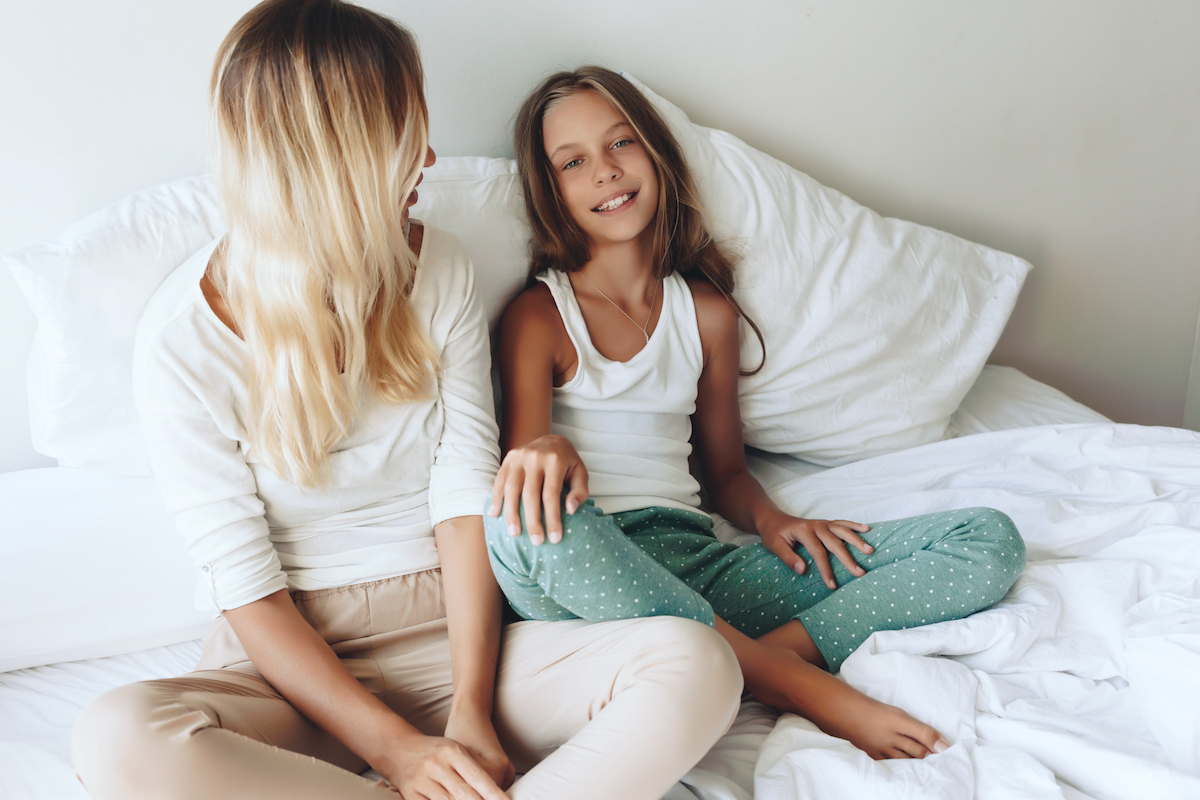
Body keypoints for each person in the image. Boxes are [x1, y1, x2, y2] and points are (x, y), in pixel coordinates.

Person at [70, 7, 743, 800]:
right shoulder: (183, 342)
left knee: (697, 662)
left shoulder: (441, 267)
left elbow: (464, 498)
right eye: (403, 136)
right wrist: (395, 752)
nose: (427, 156)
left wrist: (468, 712)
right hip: (291, 665)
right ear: (334, 161)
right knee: (118, 738)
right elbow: (245, 584)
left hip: (462, 638)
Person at [485, 65, 1027, 761]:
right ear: (550, 191)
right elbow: (530, 482)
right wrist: (547, 463)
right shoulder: (539, 315)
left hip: (697, 568)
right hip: (584, 572)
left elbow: (727, 474)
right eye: (573, 161)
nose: (605, 172)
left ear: (655, 152)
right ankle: (790, 682)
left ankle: (752, 660)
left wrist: (776, 522)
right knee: (518, 517)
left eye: (621, 144)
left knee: (988, 539)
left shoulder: (707, 313)